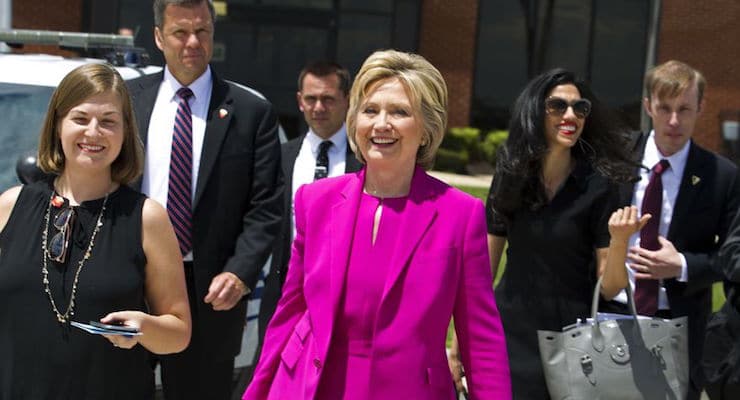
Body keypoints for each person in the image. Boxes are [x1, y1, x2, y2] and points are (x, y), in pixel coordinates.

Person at [245, 50, 511, 399]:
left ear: (427, 127)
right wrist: (257, 391)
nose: (381, 124)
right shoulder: (316, 201)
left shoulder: (459, 215)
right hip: (309, 388)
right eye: (370, 110)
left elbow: (480, 340)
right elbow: (289, 312)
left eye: (399, 112)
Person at [0, 63, 191, 399]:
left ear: (124, 131)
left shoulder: (147, 217)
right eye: (80, 118)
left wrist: (144, 328)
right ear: (58, 124)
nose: (93, 132)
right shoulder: (10, 207)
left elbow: (178, 333)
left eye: (108, 122)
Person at [448, 68, 642, 399]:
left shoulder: (598, 185)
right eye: (558, 106)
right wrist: (457, 346)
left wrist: (620, 241)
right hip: (509, 336)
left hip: (572, 342)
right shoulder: (511, 172)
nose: (571, 115)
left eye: (579, 108)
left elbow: (608, 286)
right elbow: (481, 272)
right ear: (536, 111)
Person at [126, 0, 283, 398]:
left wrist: (241, 271)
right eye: (180, 32)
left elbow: (266, 207)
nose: (192, 42)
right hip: (130, 279)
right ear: (160, 37)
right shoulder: (126, 101)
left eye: (203, 31)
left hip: (210, 294)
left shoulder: (251, 112)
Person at [603, 60, 740, 400]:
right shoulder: (614, 158)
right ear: (648, 105)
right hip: (611, 315)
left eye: (684, 109)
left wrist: (680, 265)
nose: (674, 121)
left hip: (679, 328)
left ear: (701, 108)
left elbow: (730, 258)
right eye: (664, 108)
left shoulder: (722, 176)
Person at [257, 60, 362, 351]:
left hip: (346, 299)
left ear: (347, 100)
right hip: (285, 296)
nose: (318, 108)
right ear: (299, 101)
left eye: (328, 99)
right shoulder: (279, 158)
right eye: (311, 99)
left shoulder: (365, 163)